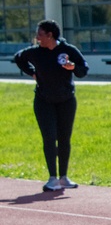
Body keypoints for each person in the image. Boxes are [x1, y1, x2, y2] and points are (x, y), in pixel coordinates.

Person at [14, 20, 89, 192]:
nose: (37, 37)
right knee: (49, 137)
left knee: (64, 138)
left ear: (50, 35)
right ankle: (52, 178)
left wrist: (73, 67)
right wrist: (32, 72)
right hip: (44, 100)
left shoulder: (68, 50)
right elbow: (18, 58)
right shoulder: (35, 52)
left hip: (66, 100)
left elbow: (83, 69)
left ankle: (63, 177)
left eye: (40, 34)